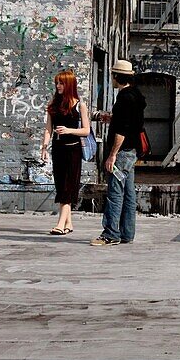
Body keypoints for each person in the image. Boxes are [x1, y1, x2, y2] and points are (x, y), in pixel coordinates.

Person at [91, 59, 145, 247]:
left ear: (116, 76)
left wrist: (113, 154)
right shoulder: (136, 95)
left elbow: (122, 130)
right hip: (132, 151)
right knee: (129, 193)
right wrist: (112, 118)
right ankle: (127, 233)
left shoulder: (124, 98)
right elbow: (130, 120)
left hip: (122, 154)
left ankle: (111, 234)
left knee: (115, 193)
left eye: (112, 75)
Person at [40, 70, 90, 235]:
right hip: (58, 149)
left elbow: (86, 130)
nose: (58, 86)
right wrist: (44, 146)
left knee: (68, 187)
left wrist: (69, 130)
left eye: (61, 83)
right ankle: (68, 222)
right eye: (57, 83)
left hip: (73, 150)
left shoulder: (79, 105)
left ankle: (60, 224)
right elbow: (48, 128)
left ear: (69, 85)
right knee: (61, 185)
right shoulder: (53, 104)